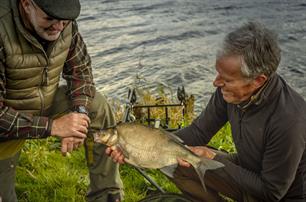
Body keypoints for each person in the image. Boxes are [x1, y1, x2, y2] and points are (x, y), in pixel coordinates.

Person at [107, 21, 306, 202]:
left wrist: (214, 158)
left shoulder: (289, 120)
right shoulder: (229, 92)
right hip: (247, 166)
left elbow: (271, 192)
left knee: (202, 160)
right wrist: (141, 145)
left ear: (258, 81)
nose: (216, 83)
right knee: (178, 166)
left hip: (277, 196)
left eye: (227, 79)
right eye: (218, 73)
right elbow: (198, 132)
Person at [0, 0, 123, 201]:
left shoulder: (64, 23)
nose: (58, 26)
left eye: (65, 19)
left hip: (41, 105)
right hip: (4, 123)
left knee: (96, 106)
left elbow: (81, 72)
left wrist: (79, 116)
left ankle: (107, 195)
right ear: (26, 4)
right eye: (49, 18)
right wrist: (54, 126)